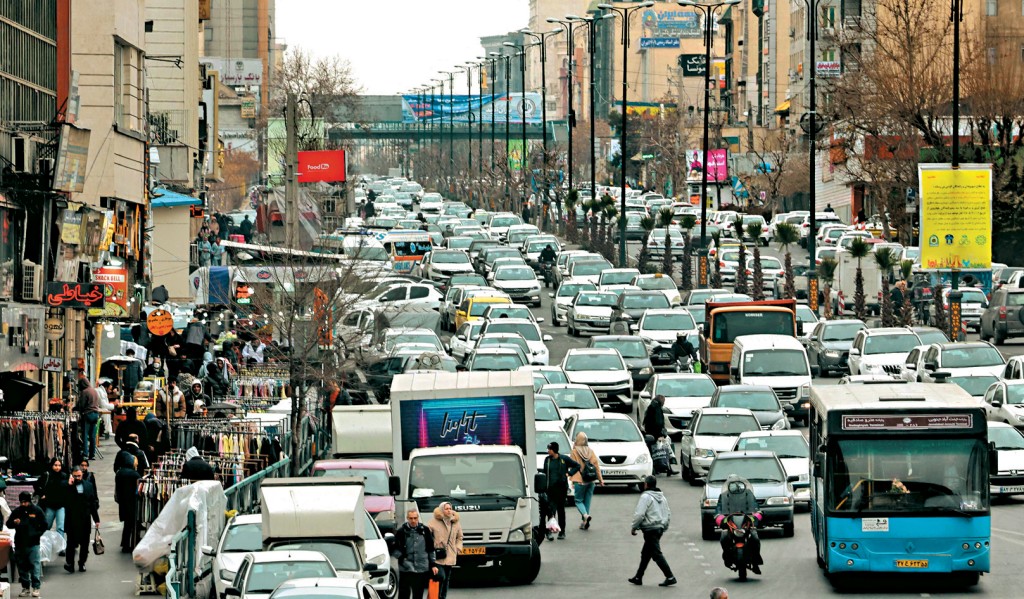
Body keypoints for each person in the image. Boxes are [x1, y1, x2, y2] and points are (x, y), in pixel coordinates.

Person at [628, 475, 676, 587]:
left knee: (656, 554)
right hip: (659, 528)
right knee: (646, 553)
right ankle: (638, 577)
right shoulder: (662, 497)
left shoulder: (645, 497)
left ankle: (670, 576)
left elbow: (640, 514)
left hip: (650, 529)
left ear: (646, 484)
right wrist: (665, 526)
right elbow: (668, 513)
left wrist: (634, 526)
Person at [714, 475, 763, 574]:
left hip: (745, 521)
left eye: (737, 483)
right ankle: (727, 557)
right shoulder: (723, 496)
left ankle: (756, 560)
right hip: (731, 522)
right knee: (724, 537)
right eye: (732, 483)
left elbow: (756, 508)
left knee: (754, 537)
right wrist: (720, 518)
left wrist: (757, 515)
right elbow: (718, 510)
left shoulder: (748, 494)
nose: (735, 486)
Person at [8, 491, 47, 597]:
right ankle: (25, 587)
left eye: (25, 502)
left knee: (35, 566)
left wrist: (37, 534)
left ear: (29, 501)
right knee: (22, 567)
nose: (23, 504)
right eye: (21, 502)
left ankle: (36, 587)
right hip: (20, 543)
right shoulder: (17, 511)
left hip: (33, 543)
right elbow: (8, 524)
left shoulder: (37, 511)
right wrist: (14, 523)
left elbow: (44, 525)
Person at [391, 510, 437, 599]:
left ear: (418, 518)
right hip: (406, 567)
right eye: (411, 518)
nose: (413, 520)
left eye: (415, 518)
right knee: (404, 594)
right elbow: (394, 549)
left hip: (421, 567)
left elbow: (431, 549)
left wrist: (433, 565)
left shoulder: (425, 530)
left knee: (418, 593)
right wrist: (401, 558)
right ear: (407, 518)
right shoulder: (401, 531)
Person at [63, 466, 100, 573]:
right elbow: (63, 499)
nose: (77, 478)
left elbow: (92, 503)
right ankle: (70, 563)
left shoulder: (88, 486)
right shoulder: (68, 486)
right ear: (72, 475)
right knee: (70, 544)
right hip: (71, 519)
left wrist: (96, 519)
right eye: (75, 476)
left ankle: (82, 562)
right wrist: (68, 485)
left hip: (85, 519)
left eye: (79, 476)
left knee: (85, 544)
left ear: (82, 474)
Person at [541, 441, 579, 540]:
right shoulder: (547, 460)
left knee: (561, 511)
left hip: (561, 489)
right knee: (550, 511)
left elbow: (577, 466)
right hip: (550, 490)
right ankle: (549, 531)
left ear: (554, 450)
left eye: (549, 449)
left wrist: (569, 473)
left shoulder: (564, 459)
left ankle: (562, 532)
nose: (548, 451)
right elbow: (545, 473)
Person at [426, 502, 463, 599]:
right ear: (442, 509)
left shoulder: (455, 522)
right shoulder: (433, 522)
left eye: (450, 508)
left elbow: (460, 537)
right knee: (440, 576)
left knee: (446, 579)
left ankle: (442, 597)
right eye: (446, 508)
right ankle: (435, 596)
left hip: (450, 554)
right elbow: (427, 537)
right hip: (437, 555)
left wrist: (458, 547)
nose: (449, 510)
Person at [568, 432, 604, 530]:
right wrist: (601, 480)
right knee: (587, 501)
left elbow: (572, 466)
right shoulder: (590, 451)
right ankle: (584, 521)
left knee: (578, 501)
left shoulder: (574, 452)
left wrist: (569, 477)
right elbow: (596, 466)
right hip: (591, 480)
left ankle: (585, 516)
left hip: (579, 480)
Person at [115, 453, 142, 553]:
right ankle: (130, 544)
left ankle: (125, 543)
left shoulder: (119, 473)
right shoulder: (134, 474)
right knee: (132, 524)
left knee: (127, 524)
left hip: (123, 502)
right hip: (132, 502)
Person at [34, 458, 67, 541]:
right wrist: (42, 494)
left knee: (60, 528)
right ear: (52, 465)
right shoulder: (47, 475)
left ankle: (61, 547)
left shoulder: (64, 476)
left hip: (61, 506)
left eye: (59, 465)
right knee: (47, 526)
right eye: (55, 465)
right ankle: (43, 544)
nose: (57, 467)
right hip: (49, 506)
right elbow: (36, 485)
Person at [76, 376, 101, 460]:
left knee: (85, 435)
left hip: (87, 414)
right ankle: (92, 454)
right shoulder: (94, 391)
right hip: (95, 414)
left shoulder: (84, 392)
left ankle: (85, 454)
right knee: (92, 436)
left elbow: (82, 405)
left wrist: (77, 409)